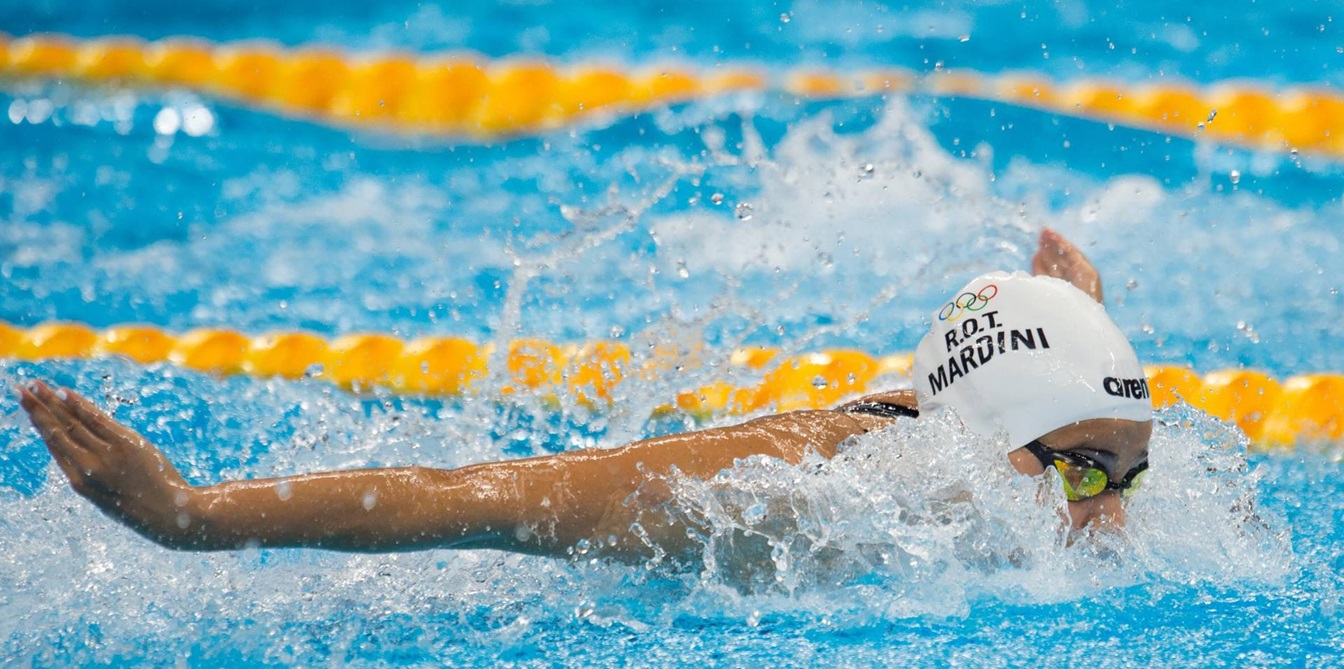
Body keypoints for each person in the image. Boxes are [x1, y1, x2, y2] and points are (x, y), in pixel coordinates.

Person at [16, 228, 1153, 564]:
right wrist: (190, 516)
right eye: (1089, 471)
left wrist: (1074, 316)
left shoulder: (1025, 445)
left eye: (1128, 468)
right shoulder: (788, 494)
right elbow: (479, 494)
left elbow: (1045, 408)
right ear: (996, 440)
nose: (1115, 513)